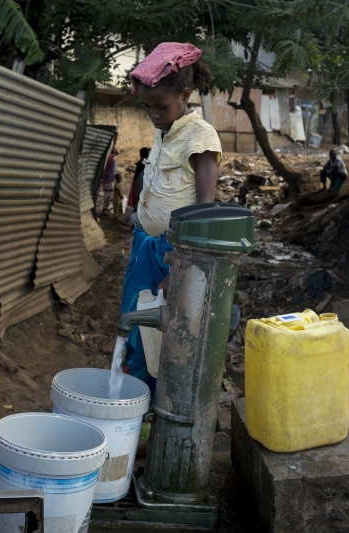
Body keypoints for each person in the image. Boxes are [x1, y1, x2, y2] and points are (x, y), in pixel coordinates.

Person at [120, 42, 221, 390]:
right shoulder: (166, 130)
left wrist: (179, 266)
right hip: (145, 248)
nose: (154, 115)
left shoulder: (200, 136)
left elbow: (204, 210)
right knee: (136, 329)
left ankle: (152, 417)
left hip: (171, 254)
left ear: (186, 95)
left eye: (160, 106)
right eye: (147, 108)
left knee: (162, 339)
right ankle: (133, 407)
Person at [128, 147, 150, 212]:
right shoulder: (147, 159)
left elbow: (138, 171)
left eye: (140, 153)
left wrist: (132, 170)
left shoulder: (142, 162)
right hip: (142, 181)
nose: (139, 155)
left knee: (136, 196)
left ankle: (135, 209)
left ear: (142, 154)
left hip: (139, 180)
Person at [102, 147, 118, 213]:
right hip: (109, 179)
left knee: (107, 194)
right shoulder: (112, 159)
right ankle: (105, 209)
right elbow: (112, 171)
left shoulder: (108, 158)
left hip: (105, 179)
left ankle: (105, 208)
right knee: (109, 195)